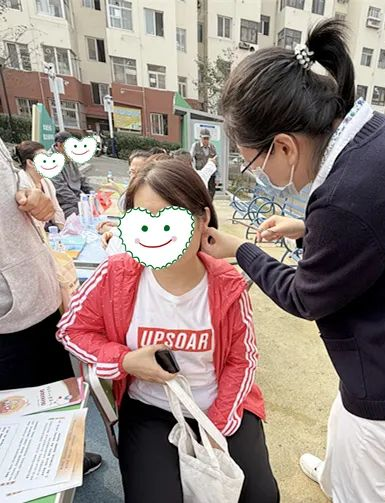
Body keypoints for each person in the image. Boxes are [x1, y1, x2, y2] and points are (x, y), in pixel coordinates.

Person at [200, 19, 385, 503]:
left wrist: (241, 251)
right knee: (340, 420)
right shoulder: (382, 136)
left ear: (284, 144)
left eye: (253, 162)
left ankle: (346, 485)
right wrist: (309, 228)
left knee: (359, 490)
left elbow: (305, 296)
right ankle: (336, 474)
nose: (259, 173)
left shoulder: (346, 198)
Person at [56, 158, 279, 503]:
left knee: (259, 496)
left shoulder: (226, 284)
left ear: (203, 218)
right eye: (144, 221)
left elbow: (242, 360)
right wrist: (126, 360)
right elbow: (72, 330)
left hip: (218, 406)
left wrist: (215, 427)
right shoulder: (117, 274)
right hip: (150, 409)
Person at [0, 137, 102, 476]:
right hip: (9, 316)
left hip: (39, 299)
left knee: (58, 396)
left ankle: (66, 458)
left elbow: (17, 190)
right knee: (19, 422)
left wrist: (34, 197)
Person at [15, 140, 65, 231]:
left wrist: (64, 232)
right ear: (30, 163)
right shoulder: (21, 184)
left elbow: (57, 210)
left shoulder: (46, 182)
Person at [51, 131, 93, 218]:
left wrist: (92, 194)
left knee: (97, 208)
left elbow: (81, 179)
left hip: (76, 198)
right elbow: (61, 190)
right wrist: (80, 204)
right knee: (84, 216)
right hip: (63, 203)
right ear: (59, 145)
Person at [190, 128, 218, 199]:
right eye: (204, 138)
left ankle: (209, 205)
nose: (206, 140)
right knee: (201, 192)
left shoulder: (212, 147)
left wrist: (218, 176)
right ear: (200, 138)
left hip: (211, 174)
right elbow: (191, 158)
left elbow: (216, 162)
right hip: (201, 174)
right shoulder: (195, 146)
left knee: (211, 192)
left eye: (207, 138)